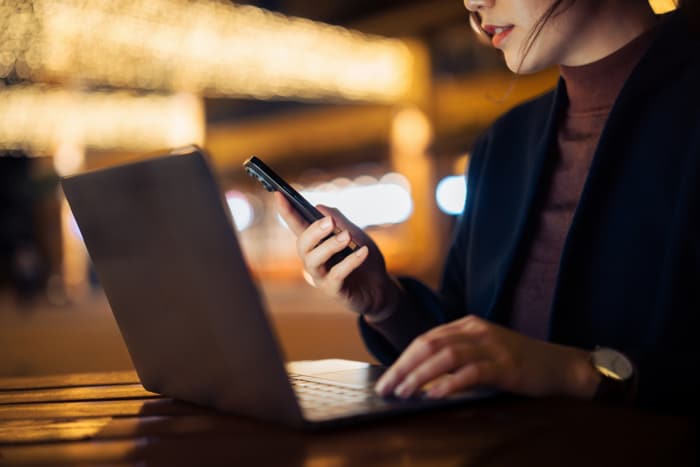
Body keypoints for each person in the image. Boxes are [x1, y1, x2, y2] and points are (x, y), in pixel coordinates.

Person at [275, 0, 700, 415]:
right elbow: (475, 351)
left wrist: (575, 373)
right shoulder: (503, 145)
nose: (473, 3)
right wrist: (385, 301)